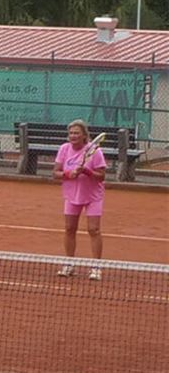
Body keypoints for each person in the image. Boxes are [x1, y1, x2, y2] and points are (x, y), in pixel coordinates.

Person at [53, 119, 107, 281]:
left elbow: (102, 176)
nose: (73, 136)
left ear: (84, 135)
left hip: (92, 196)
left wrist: (86, 171)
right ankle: (69, 264)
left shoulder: (95, 151)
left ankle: (96, 267)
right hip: (71, 195)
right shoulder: (64, 149)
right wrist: (68, 174)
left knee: (93, 230)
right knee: (69, 228)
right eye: (71, 133)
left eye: (76, 133)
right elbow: (55, 173)